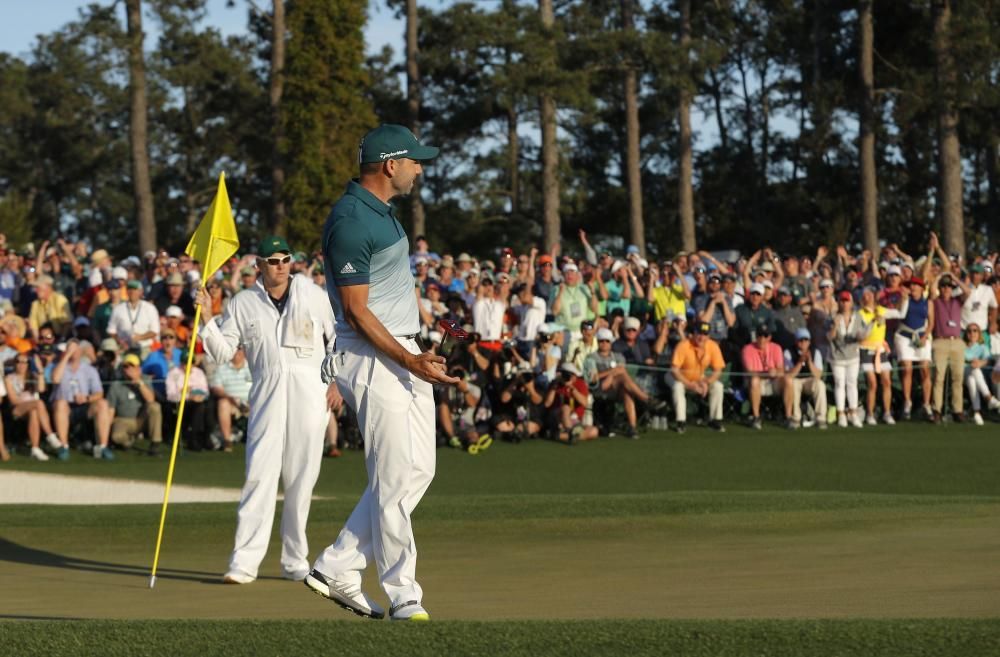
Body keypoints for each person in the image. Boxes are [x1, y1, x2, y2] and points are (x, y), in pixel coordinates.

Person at [307, 125, 456, 623]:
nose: (420, 167)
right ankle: (403, 595)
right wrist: (408, 357)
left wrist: (416, 349)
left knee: (417, 470)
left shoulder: (381, 214)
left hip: (398, 352)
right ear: (390, 164)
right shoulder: (350, 219)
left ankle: (338, 564)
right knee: (392, 479)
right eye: (414, 160)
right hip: (372, 358)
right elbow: (355, 311)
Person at [197, 235, 339, 586]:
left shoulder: (314, 295)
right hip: (266, 390)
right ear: (258, 264)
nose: (280, 266)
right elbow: (221, 352)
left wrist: (338, 382)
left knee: (301, 477)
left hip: (311, 389)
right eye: (272, 260)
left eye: (285, 259)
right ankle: (244, 563)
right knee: (259, 474)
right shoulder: (242, 302)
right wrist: (206, 317)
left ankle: (295, 560)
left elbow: (339, 338)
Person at [582, 327, 664, 438]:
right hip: (599, 388)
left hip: (615, 388)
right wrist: (611, 372)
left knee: (626, 391)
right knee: (621, 375)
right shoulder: (591, 358)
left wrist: (611, 375)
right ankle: (646, 399)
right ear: (598, 341)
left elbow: (621, 372)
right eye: (602, 341)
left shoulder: (618, 356)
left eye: (607, 341)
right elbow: (592, 379)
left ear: (611, 342)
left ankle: (632, 427)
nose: (604, 343)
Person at [50, 340, 113, 460]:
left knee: (102, 404)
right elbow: (55, 379)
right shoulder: (58, 366)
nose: (73, 352)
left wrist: (87, 398)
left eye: (75, 350)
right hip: (65, 406)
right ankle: (63, 446)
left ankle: (102, 446)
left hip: (84, 405)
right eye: (70, 349)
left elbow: (99, 392)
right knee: (61, 403)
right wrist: (67, 356)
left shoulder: (89, 370)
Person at [670, 321, 725, 433]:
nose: (701, 337)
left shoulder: (713, 346)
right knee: (677, 387)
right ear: (693, 333)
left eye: (705, 334)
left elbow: (718, 370)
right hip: (678, 376)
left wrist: (707, 382)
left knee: (718, 386)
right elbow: (674, 370)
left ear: (708, 336)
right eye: (699, 333)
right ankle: (681, 422)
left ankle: (715, 420)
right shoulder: (683, 345)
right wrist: (689, 385)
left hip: (699, 377)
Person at [4, 352, 58, 460]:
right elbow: (13, 400)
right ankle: (50, 435)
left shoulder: (32, 376)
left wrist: (40, 371)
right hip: (16, 409)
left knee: (34, 411)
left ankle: (35, 448)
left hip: (32, 409)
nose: (21, 365)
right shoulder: (9, 378)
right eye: (18, 362)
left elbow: (41, 389)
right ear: (14, 364)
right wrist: (27, 401)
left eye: (25, 362)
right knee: (38, 403)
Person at [929, 273, 968, 423]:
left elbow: (967, 291)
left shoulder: (957, 301)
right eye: (944, 287)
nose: (946, 289)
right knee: (939, 377)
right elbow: (932, 291)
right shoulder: (936, 302)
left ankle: (958, 410)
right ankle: (937, 410)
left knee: (958, 377)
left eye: (949, 287)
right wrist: (939, 277)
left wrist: (954, 278)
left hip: (957, 342)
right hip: (940, 341)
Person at [107, 353, 162, 454]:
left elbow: (151, 399)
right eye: (125, 366)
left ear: (138, 368)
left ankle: (155, 443)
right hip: (123, 420)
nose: (128, 369)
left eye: (132, 366)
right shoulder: (116, 385)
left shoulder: (145, 379)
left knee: (155, 406)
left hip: (142, 419)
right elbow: (111, 410)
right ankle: (128, 442)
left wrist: (138, 382)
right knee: (117, 436)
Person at [829, 290, 869, 428]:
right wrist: (834, 325)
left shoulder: (857, 317)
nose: (844, 303)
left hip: (853, 355)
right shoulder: (833, 317)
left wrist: (860, 337)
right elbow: (829, 337)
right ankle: (841, 414)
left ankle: (853, 412)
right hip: (837, 356)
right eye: (842, 300)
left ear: (851, 303)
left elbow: (863, 335)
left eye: (847, 301)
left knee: (852, 383)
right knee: (840, 383)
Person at [895, 277, 932, 420]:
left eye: (917, 285)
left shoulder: (928, 303)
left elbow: (931, 323)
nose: (914, 288)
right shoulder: (905, 300)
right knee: (907, 368)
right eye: (912, 286)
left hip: (921, 337)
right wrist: (902, 298)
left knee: (925, 369)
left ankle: (926, 404)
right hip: (905, 336)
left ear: (922, 288)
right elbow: (898, 312)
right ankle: (907, 402)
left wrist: (925, 336)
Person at [208, 347, 253, 452]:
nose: (237, 352)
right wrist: (231, 399)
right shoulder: (222, 368)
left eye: (240, 349)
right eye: (235, 349)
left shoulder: (252, 367)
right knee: (223, 403)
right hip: (232, 403)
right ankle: (227, 441)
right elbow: (216, 388)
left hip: (252, 402)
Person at [741, 325, 785, 430]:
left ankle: (788, 416)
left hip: (772, 381)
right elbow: (750, 372)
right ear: (756, 336)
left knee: (788, 380)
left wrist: (775, 372)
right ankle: (756, 417)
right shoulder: (747, 349)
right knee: (755, 380)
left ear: (769, 337)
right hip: (754, 382)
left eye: (765, 336)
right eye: (760, 335)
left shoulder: (776, 348)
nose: (762, 339)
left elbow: (781, 370)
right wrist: (767, 373)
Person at [783, 327, 828, 430]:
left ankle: (821, 418)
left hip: (809, 380)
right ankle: (796, 418)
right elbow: (789, 375)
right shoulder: (788, 352)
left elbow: (818, 375)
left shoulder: (815, 352)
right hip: (796, 379)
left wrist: (809, 362)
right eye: (801, 340)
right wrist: (799, 362)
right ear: (796, 341)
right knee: (792, 384)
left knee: (820, 385)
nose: (803, 343)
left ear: (809, 341)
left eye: (805, 340)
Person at [544, 362, 598, 444]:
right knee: (566, 407)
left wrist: (572, 389)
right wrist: (554, 387)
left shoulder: (580, 384)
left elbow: (585, 403)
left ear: (574, 376)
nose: (566, 377)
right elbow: (547, 404)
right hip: (558, 417)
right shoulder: (555, 384)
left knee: (594, 431)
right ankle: (569, 432)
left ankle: (561, 435)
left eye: (569, 375)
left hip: (575, 420)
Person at [107, 280, 160, 356]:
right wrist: (120, 341)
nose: (132, 292)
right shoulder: (118, 309)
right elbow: (111, 330)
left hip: (144, 348)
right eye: (129, 289)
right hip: (124, 348)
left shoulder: (150, 308)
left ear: (141, 292)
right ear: (126, 291)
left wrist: (140, 337)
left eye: (135, 289)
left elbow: (155, 331)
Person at [963, 323, 999, 425]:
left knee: (973, 376)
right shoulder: (962, 347)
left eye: (975, 330)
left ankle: (977, 413)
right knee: (973, 371)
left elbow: (987, 360)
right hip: (962, 373)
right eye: (969, 331)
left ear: (979, 333)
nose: (972, 333)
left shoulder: (982, 347)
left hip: (977, 375)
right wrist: (971, 362)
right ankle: (989, 398)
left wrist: (979, 363)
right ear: (966, 334)